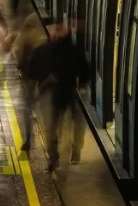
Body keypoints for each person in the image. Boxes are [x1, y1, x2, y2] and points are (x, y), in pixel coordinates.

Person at [26, 24, 91, 171]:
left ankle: (54, 158)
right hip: (70, 93)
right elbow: (86, 70)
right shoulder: (74, 50)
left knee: (51, 128)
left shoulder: (43, 50)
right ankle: (75, 151)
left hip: (49, 93)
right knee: (77, 122)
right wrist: (81, 85)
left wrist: (34, 89)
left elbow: (31, 71)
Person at [1, 13, 48, 151]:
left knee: (27, 108)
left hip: (29, 79)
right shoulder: (45, 38)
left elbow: (9, 50)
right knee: (43, 109)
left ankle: (28, 139)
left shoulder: (23, 38)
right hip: (44, 80)